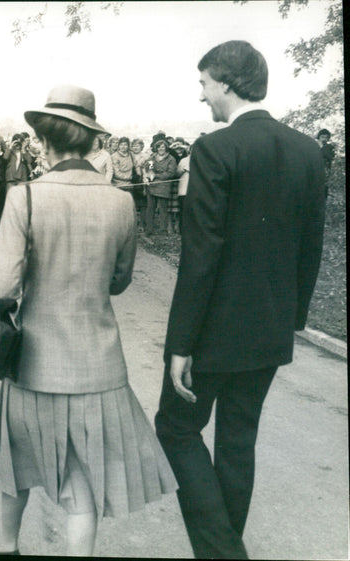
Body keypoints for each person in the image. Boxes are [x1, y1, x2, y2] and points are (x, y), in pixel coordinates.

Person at [0, 85, 176, 556]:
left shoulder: (25, 197)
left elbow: (1, 287)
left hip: (34, 363)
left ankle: (4, 545)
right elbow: (119, 282)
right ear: (91, 142)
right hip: (97, 367)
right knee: (83, 480)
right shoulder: (121, 202)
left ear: (44, 142)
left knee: (15, 457)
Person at [154, 41, 326, 559]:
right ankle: (224, 548)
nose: (202, 94)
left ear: (226, 84)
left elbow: (200, 255)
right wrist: (290, 321)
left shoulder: (214, 149)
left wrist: (179, 344)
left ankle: (223, 552)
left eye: (205, 83)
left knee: (175, 428)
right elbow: (310, 247)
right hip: (270, 329)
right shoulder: (308, 151)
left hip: (213, 334)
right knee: (237, 440)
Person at [143, 138, 177, 235]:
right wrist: (148, 175)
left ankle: (163, 230)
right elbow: (147, 168)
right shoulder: (152, 158)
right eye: (159, 147)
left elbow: (170, 173)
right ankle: (149, 230)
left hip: (164, 187)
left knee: (163, 209)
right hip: (152, 186)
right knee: (150, 208)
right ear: (156, 148)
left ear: (166, 148)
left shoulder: (171, 159)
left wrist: (156, 176)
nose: (161, 149)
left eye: (163, 147)